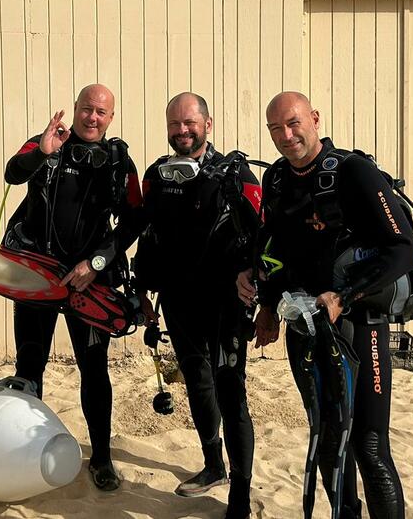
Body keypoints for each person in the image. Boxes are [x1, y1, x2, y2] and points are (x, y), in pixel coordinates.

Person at [239, 91, 413, 519]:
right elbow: (274, 247)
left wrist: (344, 295)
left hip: (359, 323)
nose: (287, 135)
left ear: (314, 119)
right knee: (327, 439)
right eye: (276, 128)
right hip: (307, 327)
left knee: (369, 445)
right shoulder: (277, 179)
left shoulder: (354, 172)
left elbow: (404, 250)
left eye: (294, 123)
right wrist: (267, 306)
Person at [2, 84, 143, 492]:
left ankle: (101, 458)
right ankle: (27, 455)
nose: (92, 118)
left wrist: (97, 263)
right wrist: (41, 152)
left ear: (111, 117)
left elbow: (135, 219)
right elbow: (12, 173)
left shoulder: (118, 161)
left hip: (88, 280)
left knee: (94, 370)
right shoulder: (49, 143)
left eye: (101, 112)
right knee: (29, 367)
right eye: (86, 109)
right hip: (40, 274)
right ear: (76, 108)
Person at [134, 92, 261, 519]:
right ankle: (213, 465)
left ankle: (240, 493)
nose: (182, 130)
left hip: (225, 302)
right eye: (174, 124)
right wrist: (142, 291)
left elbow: (263, 236)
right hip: (177, 299)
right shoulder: (157, 175)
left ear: (208, 124)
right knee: (196, 379)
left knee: (230, 390)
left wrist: (257, 286)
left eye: (189, 122)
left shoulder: (234, 173)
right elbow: (148, 235)